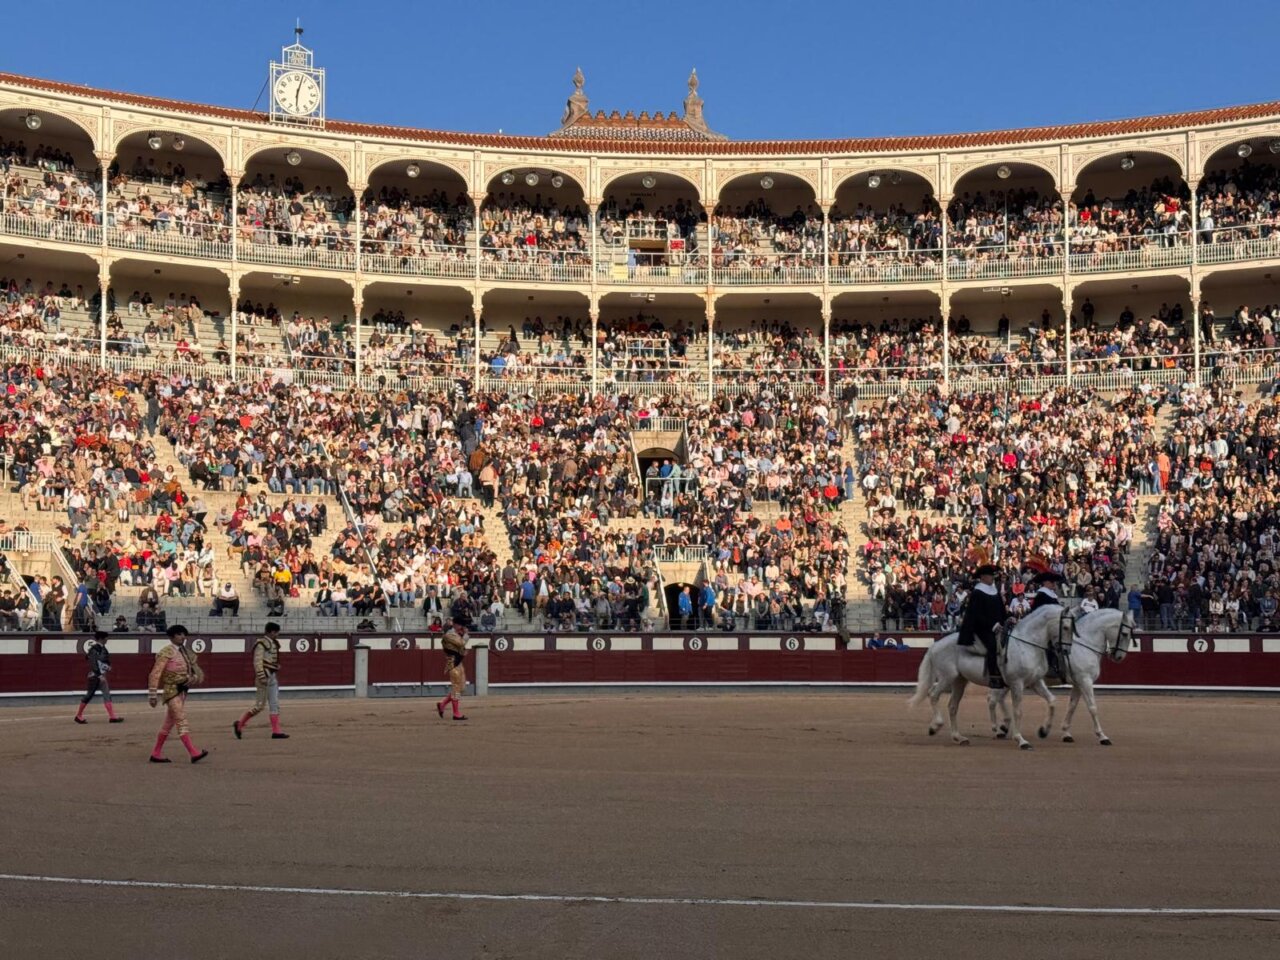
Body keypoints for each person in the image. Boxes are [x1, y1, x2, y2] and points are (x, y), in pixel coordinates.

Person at [146, 624, 208, 763]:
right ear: (172, 636)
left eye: (184, 634)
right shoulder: (166, 652)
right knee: (181, 720)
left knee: (169, 724)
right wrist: (152, 694)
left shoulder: (185, 652)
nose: (183, 637)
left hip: (182, 692)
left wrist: (193, 679)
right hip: (171, 691)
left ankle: (156, 753)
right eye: (179, 634)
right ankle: (193, 752)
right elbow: (155, 674)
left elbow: (196, 673)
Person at [233, 621, 288, 740]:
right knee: (259, 706)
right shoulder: (261, 644)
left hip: (272, 676)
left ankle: (276, 731)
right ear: (272, 632)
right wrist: (261, 676)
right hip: (264, 677)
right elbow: (257, 662)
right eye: (276, 632)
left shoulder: (272, 643)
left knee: (275, 704)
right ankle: (240, 723)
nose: (277, 635)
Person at [957, 564, 1008, 688]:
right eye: (991, 576)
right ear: (983, 577)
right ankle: (993, 676)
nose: (993, 578)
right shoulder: (977, 592)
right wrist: (992, 625)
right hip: (982, 628)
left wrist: (1008, 618)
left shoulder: (994, 590)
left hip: (998, 626)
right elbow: (976, 615)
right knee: (992, 645)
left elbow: (1001, 610)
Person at [74, 630, 123, 724]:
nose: (107, 639)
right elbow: (93, 662)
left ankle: (112, 716)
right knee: (89, 695)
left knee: (107, 695)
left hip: (101, 675)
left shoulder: (102, 648)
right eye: (106, 638)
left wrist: (107, 667)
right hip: (95, 676)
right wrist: (99, 675)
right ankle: (78, 715)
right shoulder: (94, 649)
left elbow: (103, 661)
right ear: (102, 638)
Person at [436, 618, 469, 721]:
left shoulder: (456, 634)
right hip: (453, 663)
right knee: (456, 689)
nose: (462, 628)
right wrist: (465, 635)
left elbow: (461, 648)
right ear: (455, 625)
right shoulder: (449, 635)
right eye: (460, 625)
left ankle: (442, 704)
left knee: (461, 688)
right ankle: (456, 713)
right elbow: (461, 643)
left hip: (458, 663)